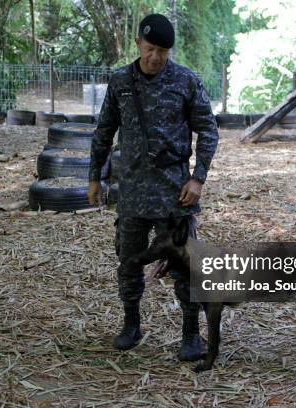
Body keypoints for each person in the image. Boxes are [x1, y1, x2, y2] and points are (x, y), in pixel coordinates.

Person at [88, 13, 218, 361]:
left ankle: (191, 334)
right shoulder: (120, 82)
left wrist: (198, 177)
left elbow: (208, 130)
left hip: (175, 193)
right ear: (138, 44)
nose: (156, 57)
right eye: (150, 49)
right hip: (130, 193)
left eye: (163, 50)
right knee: (129, 262)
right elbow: (103, 133)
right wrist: (93, 177)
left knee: (183, 266)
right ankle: (131, 325)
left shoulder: (186, 81)